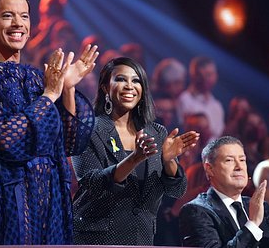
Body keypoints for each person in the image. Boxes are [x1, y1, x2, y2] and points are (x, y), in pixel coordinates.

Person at [0, 0, 98, 245]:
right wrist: (51, 94)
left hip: (48, 197)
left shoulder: (35, 77)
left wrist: (68, 89)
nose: (19, 23)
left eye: (25, 16)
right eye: (8, 16)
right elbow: (5, 138)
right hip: (4, 198)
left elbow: (70, 142)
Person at [72, 56, 199, 245]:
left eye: (136, 80)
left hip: (142, 237)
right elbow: (93, 183)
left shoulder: (157, 132)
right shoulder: (88, 129)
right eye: (121, 79)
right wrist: (135, 158)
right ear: (106, 87)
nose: (129, 86)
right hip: (96, 238)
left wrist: (169, 160)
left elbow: (177, 190)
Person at [179, 136, 269, 248]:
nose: (239, 167)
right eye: (229, 160)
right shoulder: (196, 211)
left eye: (242, 160)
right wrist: (253, 224)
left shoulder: (261, 207)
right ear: (210, 169)